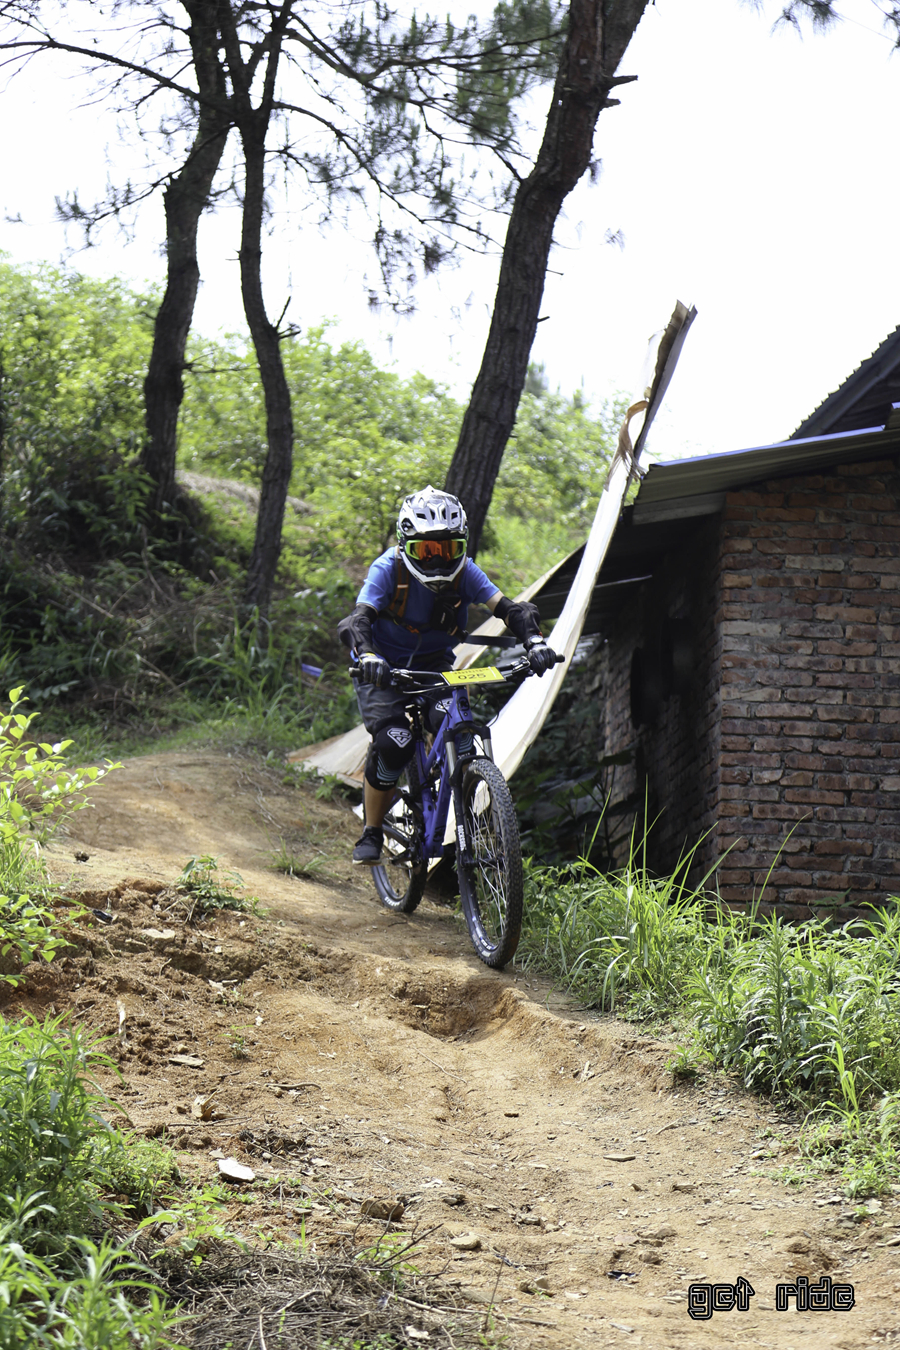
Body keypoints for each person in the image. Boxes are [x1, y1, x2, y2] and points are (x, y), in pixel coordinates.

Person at [338, 485, 555, 865]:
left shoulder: (465, 573)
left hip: (436, 667)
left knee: (459, 729)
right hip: (383, 668)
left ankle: (470, 816)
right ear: (407, 546)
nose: (438, 561)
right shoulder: (388, 569)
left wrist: (535, 641)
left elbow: (509, 610)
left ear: (462, 546)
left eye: (448, 550)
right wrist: (369, 654)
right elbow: (360, 619)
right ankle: (372, 831)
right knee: (394, 743)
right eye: (427, 551)